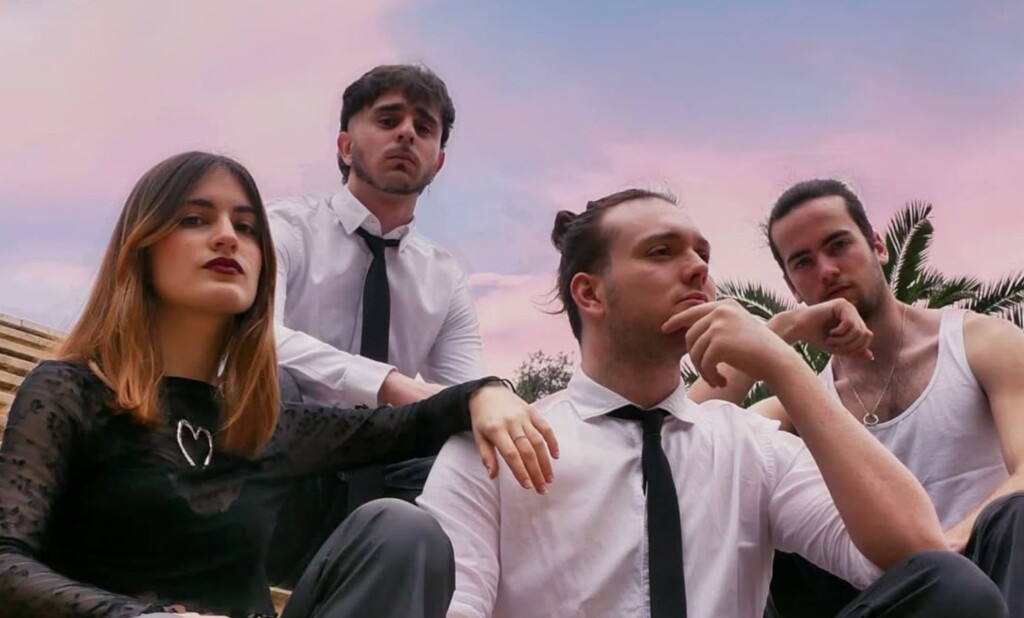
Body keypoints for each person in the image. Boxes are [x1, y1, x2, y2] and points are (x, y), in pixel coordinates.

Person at [0, 151, 557, 618]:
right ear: (140, 248)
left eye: (246, 228)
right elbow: (6, 561)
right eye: (195, 219)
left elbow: (411, 424)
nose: (227, 237)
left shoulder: (262, 424)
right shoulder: (69, 392)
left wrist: (487, 391)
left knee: (402, 530)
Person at [418, 188, 1007, 617]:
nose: (698, 267)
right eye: (662, 252)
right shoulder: (494, 446)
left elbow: (917, 551)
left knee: (953, 589)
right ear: (590, 293)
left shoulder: (751, 447)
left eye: (703, 253)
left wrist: (784, 366)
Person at [689, 178, 1024, 616]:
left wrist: (955, 538)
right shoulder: (797, 405)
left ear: (878, 247)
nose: (827, 270)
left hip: (993, 576)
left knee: (1018, 512)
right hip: (884, 600)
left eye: (839, 245)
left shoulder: (981, 344)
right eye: (803, 262)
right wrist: (781, 331)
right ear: (792, 286)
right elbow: (681, 437)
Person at [265, 64, 488, 583]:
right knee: (266, 381)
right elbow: (254, 339)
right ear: (346, 146)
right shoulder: (281, 229)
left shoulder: (443, 276)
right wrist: (387, 384)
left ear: (438, 162)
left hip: (388, 475)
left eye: (424, 128)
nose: (407, 133)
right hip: (284, 459)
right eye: (388, 120)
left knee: (478, 447)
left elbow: (463, 392)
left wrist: (482, 405)